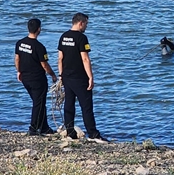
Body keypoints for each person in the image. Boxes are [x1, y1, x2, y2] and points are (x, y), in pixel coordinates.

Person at [58, 12, 108, 142]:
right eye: (86, 23)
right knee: (86, 106)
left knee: (69, 104)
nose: (86, 26)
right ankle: (93, 133)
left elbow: (60, 58)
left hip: (67, 76)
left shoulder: (64, 36)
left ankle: (70, 131)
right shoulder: (81, 38)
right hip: (79, 77)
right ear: (81, 23)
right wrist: (90, 77)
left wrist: (60, 75)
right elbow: (85, 59)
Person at [16, 18, 57, 135]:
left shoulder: (20, 43)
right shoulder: (39, 47)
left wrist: (19, 71)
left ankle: (44, 127)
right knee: (38, 103)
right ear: (39, 29)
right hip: (37, 79)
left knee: (39, 102)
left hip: (25, 78)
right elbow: (44, 64)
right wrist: (53, 75)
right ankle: (33, 128)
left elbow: (17, 58)